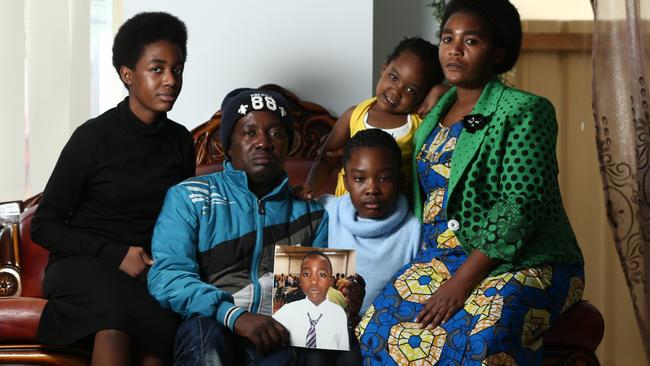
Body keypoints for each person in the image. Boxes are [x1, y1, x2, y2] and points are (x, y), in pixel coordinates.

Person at [356, 0, 585, 364]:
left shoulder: (524, 110)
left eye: (471, 41)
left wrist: (461, 284)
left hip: (523, 261)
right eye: (448, 38)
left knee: (476, 341)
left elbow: (519, 207)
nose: (454, 49)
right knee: (374, 331)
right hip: (440, 258)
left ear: (498, 53)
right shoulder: (432, 115)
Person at [30, 12, 194, 365]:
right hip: (84, 266)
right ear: (128, 75)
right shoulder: (93, 138)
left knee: (151, 332)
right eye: (157, 69)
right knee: (115, 321)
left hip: (146, 273)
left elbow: (180, 221)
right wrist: (117, 254)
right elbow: (44, 225)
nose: (170, 80)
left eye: (177, 69)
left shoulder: (181, 141)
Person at [147, 88, 329, 365]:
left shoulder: (311, 213)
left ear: (288, 145)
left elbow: (317, 297)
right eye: (249, 132)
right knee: (204, 335)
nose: (263, 143)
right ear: (227, 145)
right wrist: (233, 315)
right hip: (212, 326)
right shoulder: (191, 197)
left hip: (275, 338)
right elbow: (167, 276)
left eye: (275, 133)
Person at [295, 37, 443, 200]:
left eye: (411, 90)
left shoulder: (420, 124)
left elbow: (469, 100)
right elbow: (326, 159)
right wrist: (310, 186)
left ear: (425, 95)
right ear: (385, 67)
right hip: (348, 211)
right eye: (394, 77)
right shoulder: (354, 116)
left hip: (395, 214)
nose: (396, 91)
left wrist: (440, 90)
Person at [320, 129, 421, 314]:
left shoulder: (414, 230)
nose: (372, 189)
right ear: (347, 182)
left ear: (400, 181)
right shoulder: (326, 210)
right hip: (328, 329)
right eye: (359, 179)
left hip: (382, 331)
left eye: (384, 178)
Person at [273, 251, 349, 351]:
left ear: (330, 282)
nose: (314, 281)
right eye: (306, 274)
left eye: (322, 275)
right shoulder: (287, 310)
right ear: (300, 281)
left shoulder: (338, 314)